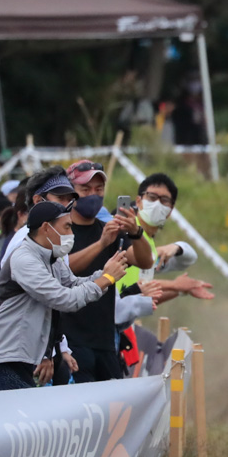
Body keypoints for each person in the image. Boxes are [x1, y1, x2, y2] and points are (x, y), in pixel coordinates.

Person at [0, 202, 130, 391]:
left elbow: (74, 284)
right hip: (0, 359)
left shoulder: (51, 259)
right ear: (46, 228)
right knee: (28, 414)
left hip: (18, 357)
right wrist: (106, 279)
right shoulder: (25, 259)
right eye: (66, 226)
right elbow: (65, 299)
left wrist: (103, 274)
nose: (71, 233)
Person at [61, 160, 152, 382]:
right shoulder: (60, 230)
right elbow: (61, 270)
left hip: (104, 340)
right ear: (70, 193)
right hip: (70, 341)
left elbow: (145, 261)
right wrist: (101, 245)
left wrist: (136, 232)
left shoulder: (110, 231)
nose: (93, 195)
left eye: (98, 189)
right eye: (85, 189)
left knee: (113, 411)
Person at [117, 173, 213, 304]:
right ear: (139, 201)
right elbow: (139, 285)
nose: (157, 204)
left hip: (124, 318)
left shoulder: (149, 243)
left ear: (170, 210)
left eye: (164, 200)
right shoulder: (126, 228)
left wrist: (181, 289)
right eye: (152, 197)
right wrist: (175, 285)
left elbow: (142, 298)